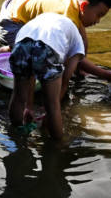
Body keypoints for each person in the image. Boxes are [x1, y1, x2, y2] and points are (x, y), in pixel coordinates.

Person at [0, 0, 111, 85]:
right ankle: (9, 50)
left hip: (17, 6)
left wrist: (80, 68)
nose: (98, 21)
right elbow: (72, 54)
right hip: (12, 21)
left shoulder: (76, 4)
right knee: (37, 55)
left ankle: (10, 48)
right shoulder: (65, 17)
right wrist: (105, 74)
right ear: (84, 6)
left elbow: (82, 40)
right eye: (99, 15)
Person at [8, 12, 84, 141]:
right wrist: (49, 114)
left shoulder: (50, 20)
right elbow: (65, 81)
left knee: (18, 96)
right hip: (47, 47)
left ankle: (17, 135)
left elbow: (31, 74)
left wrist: (29, 107)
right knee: (53, 105)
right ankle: (57, 147)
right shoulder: (78, 46)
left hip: (21, 44)